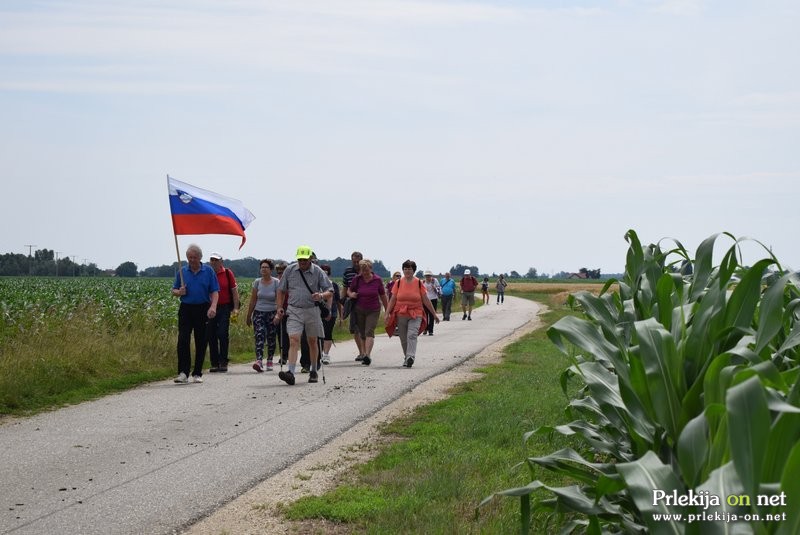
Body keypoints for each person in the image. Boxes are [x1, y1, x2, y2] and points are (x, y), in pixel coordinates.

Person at [275, 245, 333, 385]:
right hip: (294, 310)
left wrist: (320, 295)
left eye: (305, 260)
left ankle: (313, 370)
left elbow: (330, 290)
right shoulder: (290, 270)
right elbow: (281, 290)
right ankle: (291, 372)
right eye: (300, 259)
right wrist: (279, 308)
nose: (302, 262)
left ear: (310, 259)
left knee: (312, 341)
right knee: (294, 339)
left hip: (312, 310)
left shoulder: (318, 271)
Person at [171, 244, 219, 384]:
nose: (192, 260)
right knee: (183, 340)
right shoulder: (182, 271)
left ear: (200, 258)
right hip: (186, 308)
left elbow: (215, 291)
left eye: (194, 257)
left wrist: (213, 307)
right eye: (189, 257)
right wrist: (179, 292)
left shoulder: (208, 271)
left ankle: (197, 372)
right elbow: (173, 290)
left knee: (201, 340)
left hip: (203, 308)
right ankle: (183, 372)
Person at [385, 259, 439, 368]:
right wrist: (387, 313)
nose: (407, 271)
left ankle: (411, 356)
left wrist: (434, 314)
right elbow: (393, 299)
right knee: (403, 337)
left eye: (409, 269)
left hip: (416, 312)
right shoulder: (398, 283)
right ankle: (407, 358)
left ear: (413, 270)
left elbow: (425, 299)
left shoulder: (419, 282)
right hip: (401, 313)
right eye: (405, 269)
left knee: (412, 335)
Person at [347, 258, 389, 366]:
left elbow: (383, 296)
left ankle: (367, 355)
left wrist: (387, 311)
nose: (364, 272)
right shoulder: (357, 279)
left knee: (369, 331)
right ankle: (364, 353)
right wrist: (351, 295)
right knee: (362, 333)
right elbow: (349, 290)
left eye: (366, 270)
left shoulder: (377, 280)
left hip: (373, 309)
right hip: (359, 309)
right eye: (362, 270)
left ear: (371, 269)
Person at [207, 253, 240, 373]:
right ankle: (214, 363)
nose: (214, 262)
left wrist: (236, 308)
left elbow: (234, 291)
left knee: (222, 333)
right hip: (210, 307)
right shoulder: (207, 273)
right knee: (211, 335)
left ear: (221, 261)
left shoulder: (227, 273)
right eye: (212, 260)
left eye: (216, 260)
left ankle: (223, 361)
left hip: (225, 307)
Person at [245, 259, 280, 372]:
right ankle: (259, 360)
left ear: (271, 270)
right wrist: (249, 315)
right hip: (259, 312)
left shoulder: (276, 282)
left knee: (271, 337)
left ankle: (269, 359)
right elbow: (253, 300)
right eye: (262, 267)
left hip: (272, 312)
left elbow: (279, 299)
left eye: (266, 267)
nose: (263, 269)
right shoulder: (257, 282)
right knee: (259, 335)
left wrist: (278, 315)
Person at [342, 251, 366, 361]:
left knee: (364, 329)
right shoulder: (348, 271)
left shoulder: (366, 270)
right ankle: (361, 352)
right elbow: (345, 287)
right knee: (355, 329)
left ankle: (365, 351)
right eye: (354, 261)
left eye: (358, 261)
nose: (356, 264)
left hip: (366, 303)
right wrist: (343, 301)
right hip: (353, 302)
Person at [319, 264, 341, 365]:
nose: (324, 273)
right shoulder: (316, 284)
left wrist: (340, 316)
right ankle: (319, 354)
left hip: (332, 312)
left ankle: (326, 354)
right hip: (318, 312)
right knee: (319, 334)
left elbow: (337, 301)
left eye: (326, 271)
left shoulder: (334, 285)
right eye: (322, 271)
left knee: (328, 332)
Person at [274, 262, 289, 365]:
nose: (280, 274)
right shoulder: (276, 283)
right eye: (278, 272)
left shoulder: (290, 282)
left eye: (282, 272)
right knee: (280, 334)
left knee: (286, 334)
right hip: (278, 310)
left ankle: (285, 355)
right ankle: (283, 355)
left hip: (290, 310)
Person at [422, 270, 441, 335]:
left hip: (433, 299)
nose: (428, 277)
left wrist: (435, 288)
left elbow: (439, 290)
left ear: (431, 276)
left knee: (432, 315)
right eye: (426, 276)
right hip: (425, 300)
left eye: (429, 276)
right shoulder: (423, 282)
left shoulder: (435, 281)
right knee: (425, 315)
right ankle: (425, 329)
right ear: (425, 276)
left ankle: (430, 330)